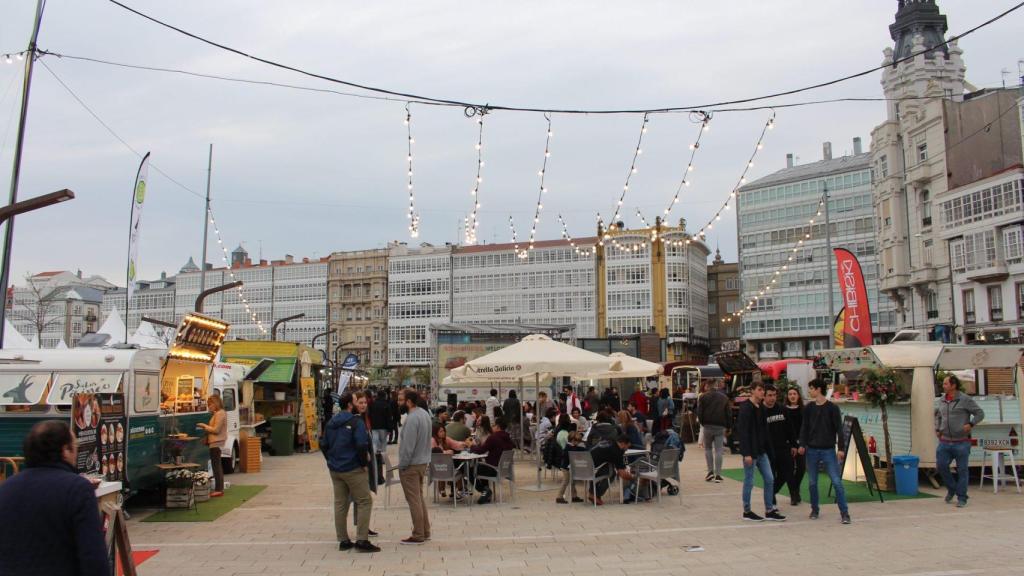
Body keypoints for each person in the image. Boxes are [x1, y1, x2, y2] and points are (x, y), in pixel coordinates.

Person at [0, 421, 110, 575]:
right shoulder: (77, 489)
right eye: (75, 447)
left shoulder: (6, 489)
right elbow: (93, 555)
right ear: (65, 450)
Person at [322, 392, 379, 553]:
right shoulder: (356, 422)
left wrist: (330, 460)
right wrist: (364, 464)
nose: (359, 403)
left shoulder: (331, 422)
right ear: (349, 404)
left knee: (340, 503)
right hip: (353, 468)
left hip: (336, 469)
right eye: (355, 401)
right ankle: (362, 539)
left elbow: (323, 444)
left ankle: (343, 539)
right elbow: (361, 445)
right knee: (364, 501)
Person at [799, 379, 850, 524]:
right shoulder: (809, 408)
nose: (809, 391)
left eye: (811, 388)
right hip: (812, 449)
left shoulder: (832, 408)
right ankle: (815, 509)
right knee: (812, 482)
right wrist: (802, 444)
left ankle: (844, 512)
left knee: (836, 481)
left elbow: (839, 429)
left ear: (818, 389)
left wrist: (840, 449)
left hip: (828, 449)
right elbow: (804, 427)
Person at [737, 382, 785, 522]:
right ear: (752, 391)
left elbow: (765, 431)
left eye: (763, 390)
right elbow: (743, 431)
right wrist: (746, 453)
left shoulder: (761, 408)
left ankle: (769, 510)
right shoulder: (746, 408)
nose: (762, 392)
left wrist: (769, 451)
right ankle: (747, 511)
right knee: (749, 481)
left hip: (761, 451)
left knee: (770, 479)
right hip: (751, 452)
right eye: (759, 390)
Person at [935, 373, 985, 507]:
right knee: (941, 466)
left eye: (946, 384)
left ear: (953, 385)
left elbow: (980, 413)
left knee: (962, 470)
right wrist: (937, 429)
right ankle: (952, 489)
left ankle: (962, 497)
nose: (943, 386)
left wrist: (971, 424)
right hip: (944, 441)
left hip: (962, 442)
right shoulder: (942, 400)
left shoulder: (965, 399)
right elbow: (938, 415)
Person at [398, 389, 432, 544]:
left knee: (413, 500)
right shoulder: (425, 414)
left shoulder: (412, 419)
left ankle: (418, 533)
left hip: (411, 464)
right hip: (422, 461)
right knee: (418, 498)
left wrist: (403, 465)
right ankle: (425, 530)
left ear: (409, 402)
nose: (398, 403)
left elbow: (408, 446)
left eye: (400, 400)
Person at [763, 385, 797, 509]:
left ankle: (793, 494)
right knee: (770, 475)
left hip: (783, 447)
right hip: (768, 450)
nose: (772, 398)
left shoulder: (782, 409)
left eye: (774, 395)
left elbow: (790, 428)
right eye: (770, 395)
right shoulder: (761, 411)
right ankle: (772, 501)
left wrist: (793, 444)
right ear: (764, 396)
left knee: (787, 473)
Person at [469, 417, 516, 504]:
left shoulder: (493, 438)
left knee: (469, 470)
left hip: (493, 469)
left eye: (493, 425)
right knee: (481, 466)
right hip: (504, 469)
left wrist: (472, 445)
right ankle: (486, 493)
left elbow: (480, 451)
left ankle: (484, 490)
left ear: (498, 427)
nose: (492, 427)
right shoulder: (508, 438)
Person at [696, 379, 730, 483]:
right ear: (716, 385)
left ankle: (710, 472)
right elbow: (728, 413)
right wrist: (728, 426)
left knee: (708, 449)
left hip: (707, 426)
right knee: (719, 450)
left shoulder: (703, 397)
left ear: (708, 386)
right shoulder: (724, 398)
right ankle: (718, 475)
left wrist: (703, 423)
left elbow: (699, 412)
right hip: (720, 426)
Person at [588, 434, 635, 505]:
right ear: (622, 444)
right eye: (627, 446)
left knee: (608, 468)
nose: (627, 449)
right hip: (594, 468)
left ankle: (593, 493)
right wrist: (633, 477)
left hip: (585, 465)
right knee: (611, 474)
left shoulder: (609, 440)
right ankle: (595, 495)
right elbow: (621, 473)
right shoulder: (616, 451)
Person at [196, 394, 227, 497]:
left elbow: (216, 430)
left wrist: (204, 426)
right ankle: (219, 488)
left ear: (215, 403)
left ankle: (219, 489)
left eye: (210, 404)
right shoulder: (218, 413)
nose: (209, 406)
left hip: (216, 442)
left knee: (216, 466)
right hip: (216, 442)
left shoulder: (220, 414)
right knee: (217, 466)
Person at [784, 387, 806, 505]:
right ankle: (793, 494)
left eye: (794, 394)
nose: (792, 396)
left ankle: (795, 489)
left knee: (801, 468)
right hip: (787, 444)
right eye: (790, 394)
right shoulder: (783, 410)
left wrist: (802, 442)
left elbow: (806, 427)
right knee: (789, 469)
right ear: (787, 396)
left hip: (801, 443)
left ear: (798, 396)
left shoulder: (803, 410)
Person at [368, 390, 392, 483]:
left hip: (374, 427)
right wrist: (390, 429)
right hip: (384, 427)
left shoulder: (373, 404)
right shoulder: (386, 404)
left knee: (375, 442)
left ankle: (375, 456)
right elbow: (389, 417)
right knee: (383, 444)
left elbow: (369, 415)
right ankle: (382, 457)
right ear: (384, 396)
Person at [556, 431, 586, 504]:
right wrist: (584, 449)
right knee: (565, 481)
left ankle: (574, 496)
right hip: (565, 467)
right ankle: (559, 497)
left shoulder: (572, 446)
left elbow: (578, 448)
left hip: (569, 467)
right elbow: (576, 450)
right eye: (577, 441)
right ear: (572, 440)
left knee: (572, 482)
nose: (578, 443)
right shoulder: (569, 447)